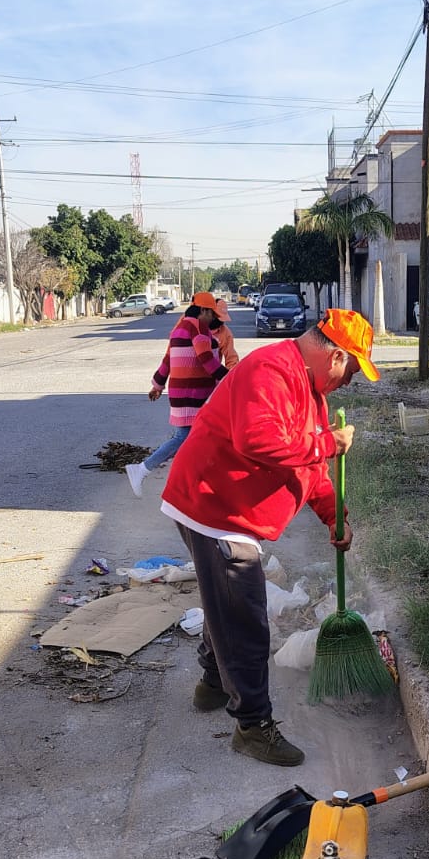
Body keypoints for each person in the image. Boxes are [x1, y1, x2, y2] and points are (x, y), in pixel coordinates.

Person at [160, 309, 380, 767]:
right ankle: (252, 726)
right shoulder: (270, 370)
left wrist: (334, 517)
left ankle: (214, 684)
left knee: (227, 606)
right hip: (212, 507)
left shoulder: (310, 393)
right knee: (246, 621)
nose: (349, 382)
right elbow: (257, 441)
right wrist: (328, 444)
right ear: (336, 356)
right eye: (352, 371)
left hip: (228, 510)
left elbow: (311, 471)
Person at [126, 292, 225, 497]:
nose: (212, 319)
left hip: (180, 392)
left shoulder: (179, 328)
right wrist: (231, 378)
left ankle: (186, 484)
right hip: (193, 393)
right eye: (211, 314)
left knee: (192, 439)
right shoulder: (199, 327)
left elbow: (167, 360)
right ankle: (143, 469)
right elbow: (207, 359)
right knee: (187, 437)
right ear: (204, 310)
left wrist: (157, 385)